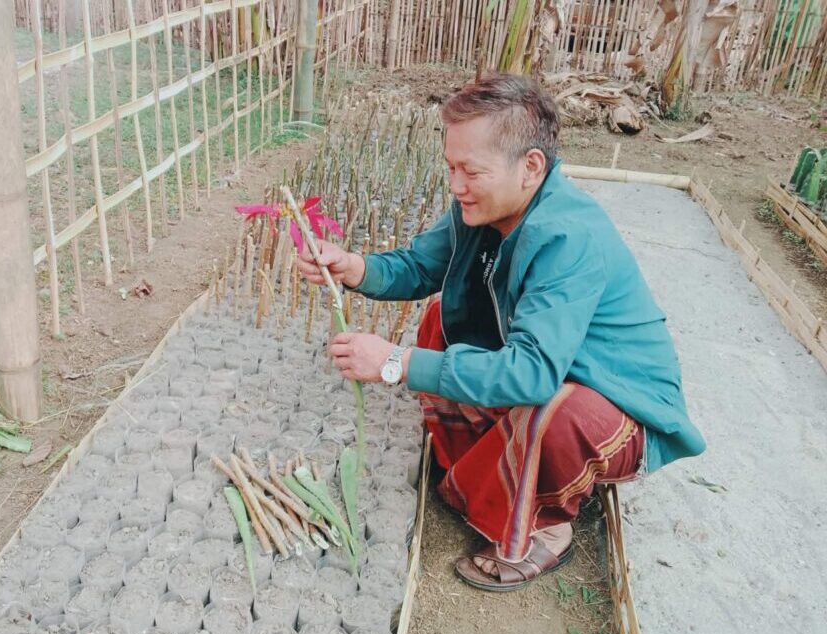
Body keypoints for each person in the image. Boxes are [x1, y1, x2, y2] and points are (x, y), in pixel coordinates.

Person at [297, 73, 705, 592]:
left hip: (618, 403)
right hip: (555, 368)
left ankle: (547, 528)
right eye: (451, 167)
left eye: (471, 171)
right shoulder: (483, 208)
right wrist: (353, 267)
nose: (456, 185)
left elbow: (533, 374)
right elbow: (421, 266)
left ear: (531, 166)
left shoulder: (568, 237)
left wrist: (395, 362)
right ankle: (487, 466)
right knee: (443, 316)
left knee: (554, 414)